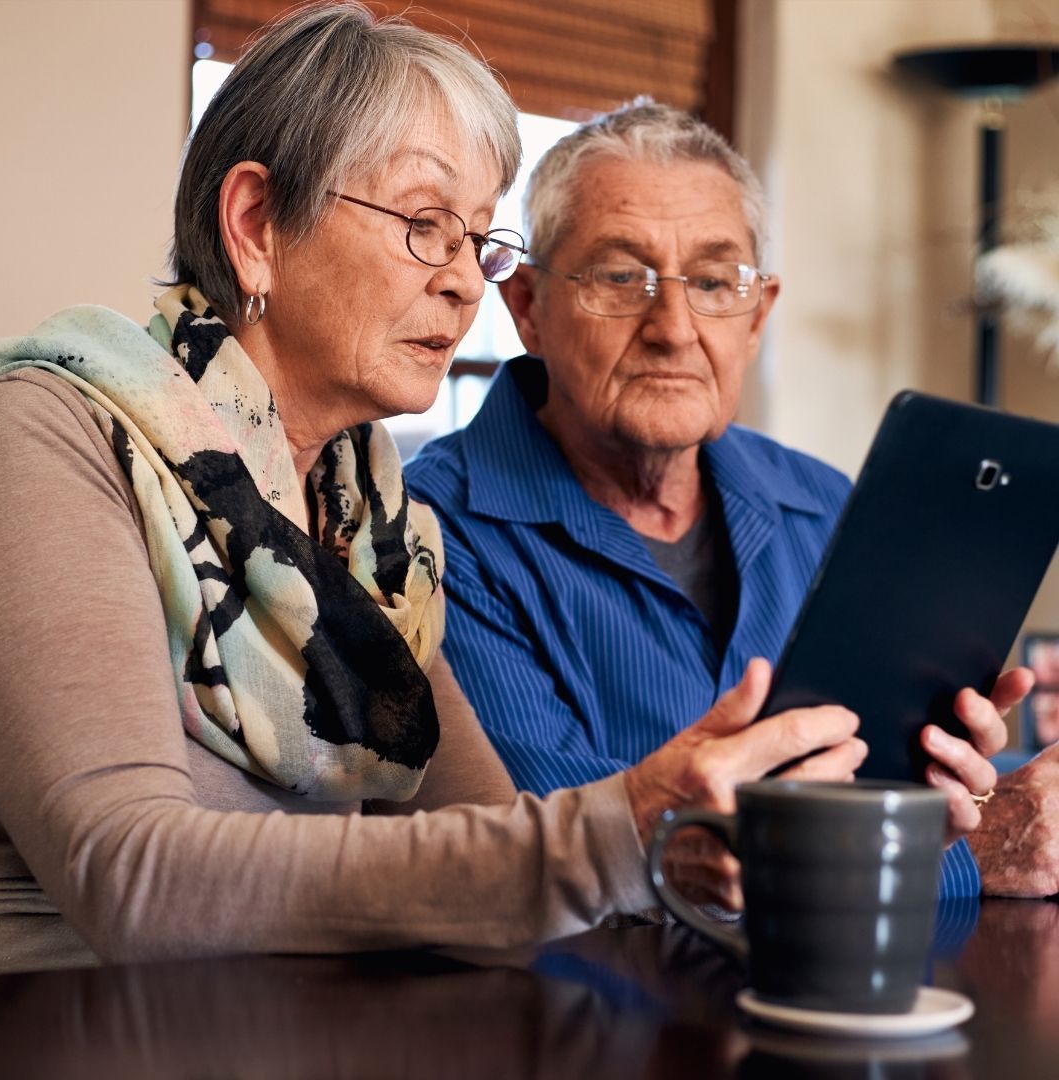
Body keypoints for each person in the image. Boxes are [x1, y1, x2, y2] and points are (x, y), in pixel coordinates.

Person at [0, 2, 878, 975]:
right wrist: (618, 829)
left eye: (477, 239)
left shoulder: (376, 530)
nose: (464, 283)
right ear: (255, 227)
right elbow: (130, 876)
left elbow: (498, 869)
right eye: (423, 225)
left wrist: (694, 847)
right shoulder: (46, 433)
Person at [405, 100, 1029, 899]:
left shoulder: (825, 506)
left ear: (758, 315)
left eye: (714, 281)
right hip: (579, 1014)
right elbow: (563, 859)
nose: (673, 326)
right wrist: (968, 852)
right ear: (528, 306)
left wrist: (966, 789)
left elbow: (898, 789)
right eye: (621, 276)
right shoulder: (427, 534)